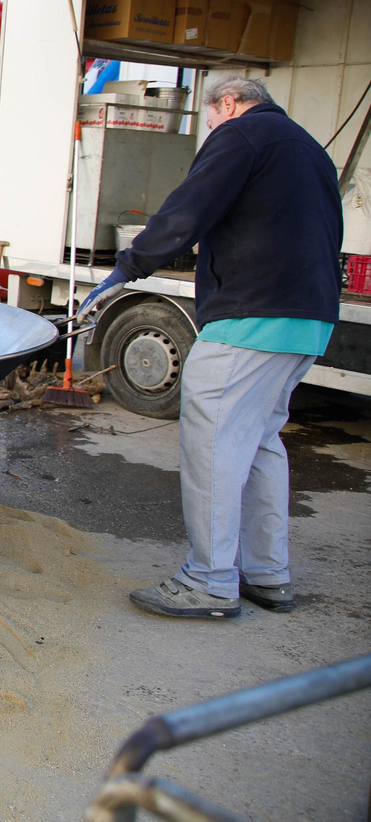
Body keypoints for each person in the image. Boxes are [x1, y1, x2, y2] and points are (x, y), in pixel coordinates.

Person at [80, 77, 342, 620]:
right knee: (260, 442)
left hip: (252, 316)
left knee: (214, 443)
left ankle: (210, 580)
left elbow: (189, 207)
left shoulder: (242, 135)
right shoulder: (310, 149)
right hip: (308, 318)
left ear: (228, 104)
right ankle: (267, 573)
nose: (212, 131)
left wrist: (128, 268)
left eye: (212, 120)